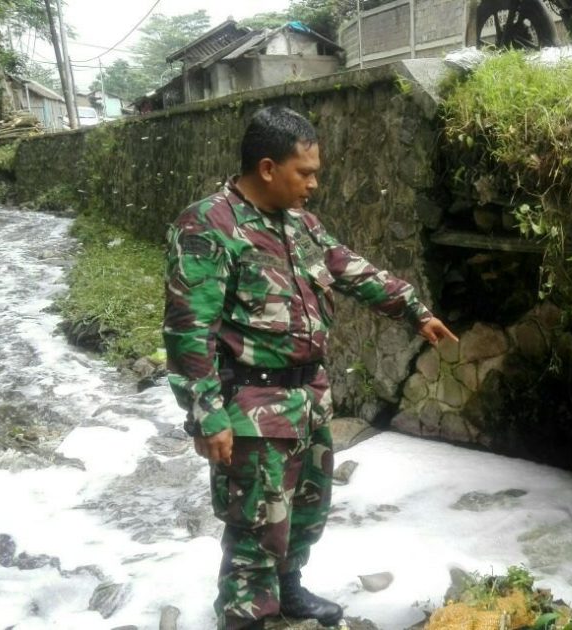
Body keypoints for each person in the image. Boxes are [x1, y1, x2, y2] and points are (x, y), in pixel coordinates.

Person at [163, 105, 457, 630]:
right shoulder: (208, 226)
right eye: (306, 172)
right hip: (251, 410)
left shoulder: (301, 225)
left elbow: (349, 268)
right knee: (255, 529)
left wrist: (415, 311)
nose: (314, 183)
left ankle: (289, 590)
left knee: (304, 515)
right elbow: (190, 329)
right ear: (269, 168)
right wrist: (206, 415)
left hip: (309, 400)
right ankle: (248, 616)